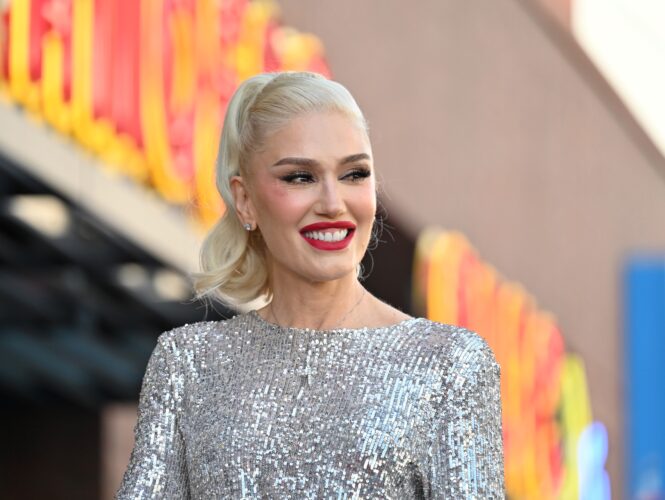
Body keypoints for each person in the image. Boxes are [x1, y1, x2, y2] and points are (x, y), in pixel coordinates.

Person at [116, 71, 505, 499]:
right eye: (300, 177)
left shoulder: (449, 365)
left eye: (354, 174)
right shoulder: (187, 365)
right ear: (245, 200)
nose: (333, 204)